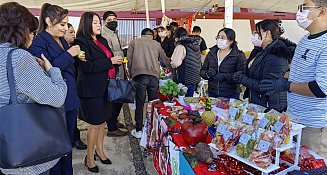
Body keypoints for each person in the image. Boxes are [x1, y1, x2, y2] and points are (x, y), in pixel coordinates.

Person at [0, 2, 67, 175]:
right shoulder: (19, 58)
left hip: (4, 147)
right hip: (26, 159)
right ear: (22, 30)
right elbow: (58, 97)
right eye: (31, 32)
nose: (32, 37)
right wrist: (52, 70)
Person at [259, 0, 327, 159]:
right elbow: (296, 72)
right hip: (293, 119)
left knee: (311, 166)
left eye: (305, 8)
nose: (300, 12)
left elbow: (321, 88)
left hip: (313, 126)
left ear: (322, 11)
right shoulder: (305, 40)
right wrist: (282, 78)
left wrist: (287, 85)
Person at [28, 3, 80, 175]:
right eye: (62, 24)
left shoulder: (62, 41)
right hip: (55, 101)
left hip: (70, 98)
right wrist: (68, 55)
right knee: (56, 148)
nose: (66, 29)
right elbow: (44, 72)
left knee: (67, 144)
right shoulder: (39, 43)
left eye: (67, 24)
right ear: (49, 21)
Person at [74, 12, 123, 173]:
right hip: (91, 89)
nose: (98, 25)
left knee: (102, 122)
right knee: (95, 124)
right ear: (86, 24)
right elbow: (87, 67)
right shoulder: (80, 42)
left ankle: (100, 151)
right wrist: (109, 61)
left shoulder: (101, 40)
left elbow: (107, 59)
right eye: (95, 22)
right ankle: (89, 158)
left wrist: (115, 62)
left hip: (106, 87)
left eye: (98, 22)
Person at [232, 19, 296, 112]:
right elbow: (253, 73)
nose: (254, 36)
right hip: (257, 101)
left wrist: (243, 79)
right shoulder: (259, 51)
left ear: (267, 34)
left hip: (270, 106)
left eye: (256, 33)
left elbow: (267, 86)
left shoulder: (276, 56)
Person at [127, 28, 169, 139]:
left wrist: (131, 74)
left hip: (139, 76)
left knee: (140, 103)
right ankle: (151, 129)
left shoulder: (134, 42)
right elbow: (164, 58)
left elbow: (129, 59)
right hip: (154, 77)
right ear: (152, 35)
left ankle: (139, 130)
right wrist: (172, 71)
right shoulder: (156, 44)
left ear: (142, 35)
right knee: (153, 104)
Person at [102, 11, 128, 137]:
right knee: (115, 98)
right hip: (113, 70)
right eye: (109, 20)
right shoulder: (104, 34)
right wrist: (123, 53)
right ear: (104, 21)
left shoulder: (114, 33)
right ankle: (111, 127)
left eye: (115, 19)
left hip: (119, 67)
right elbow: (110, 53)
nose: (113, 22)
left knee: (120, 97)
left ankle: (113, 120)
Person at [200, 28, 246, 99]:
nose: (219, 39)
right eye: (218, 37)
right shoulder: (211, 53)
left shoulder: (238, 55)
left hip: (230, 94)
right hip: (212, 92)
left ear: (231, 40)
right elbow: (202, 70)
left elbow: (242, 74)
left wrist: (226, 76)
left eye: (223, 38)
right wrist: (207, 74)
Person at [63, 23, 87, 150]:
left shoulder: (75, 47)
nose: (73, 34)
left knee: (73, 115)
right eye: (70, 32)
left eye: (74, 32)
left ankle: (74, 137)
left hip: (75, 85)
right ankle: (73, 138)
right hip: (64, 88)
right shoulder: (62, 49)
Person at [170, 27, 202, 97]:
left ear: (177, 37)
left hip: (184, 79)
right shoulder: (195, 45)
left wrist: (171, 64)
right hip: (194, 78)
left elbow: (175, 63)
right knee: (189, 101)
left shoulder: (181, 46)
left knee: (181, 102)